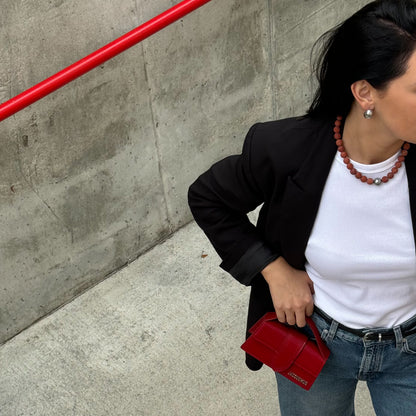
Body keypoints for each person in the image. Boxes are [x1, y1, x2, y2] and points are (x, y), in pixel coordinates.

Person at [188, 0, 416, 415]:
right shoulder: (284, 149)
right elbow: (209, 198)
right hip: (317, 345)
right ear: (365, 92)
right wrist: (274, 270)